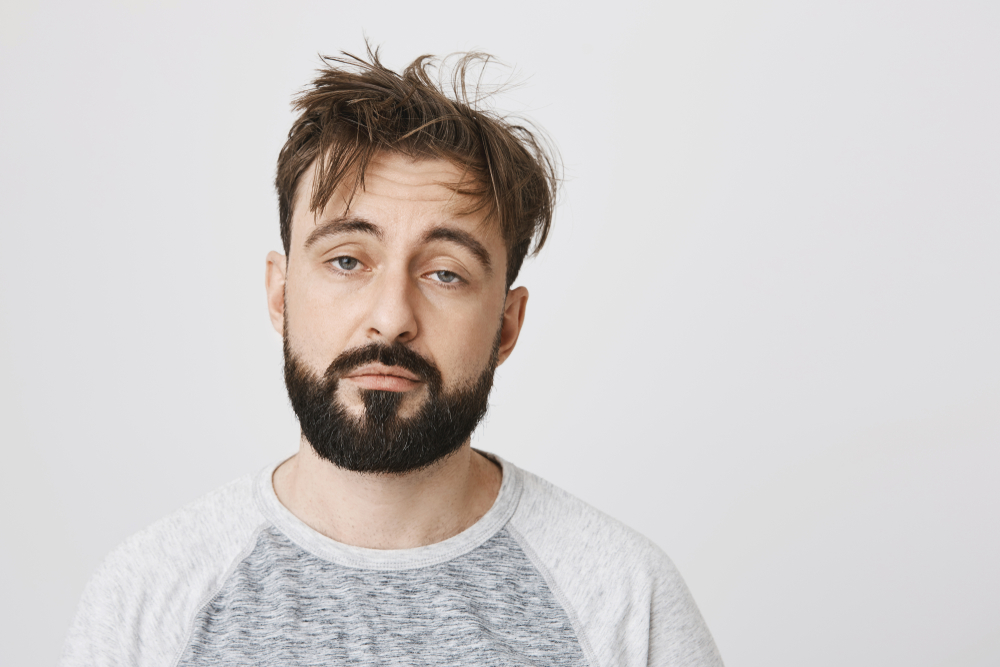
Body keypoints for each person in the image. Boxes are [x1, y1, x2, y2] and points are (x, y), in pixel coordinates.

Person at [60, 48, 724, 667]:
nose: (392, 316)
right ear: (281, 293)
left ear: (506, 324)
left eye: (445, 273)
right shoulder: (148, 599)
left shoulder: (626, 602)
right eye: (347, 260)